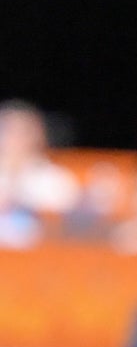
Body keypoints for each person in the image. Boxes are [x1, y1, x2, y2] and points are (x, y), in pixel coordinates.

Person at [0, 101, 78, 249]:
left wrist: (20, 199)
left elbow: (64, 224)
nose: (16, 139)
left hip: (39, 259)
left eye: (24, 132)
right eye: (9, 130)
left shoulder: (57, 179)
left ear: (39, 135)